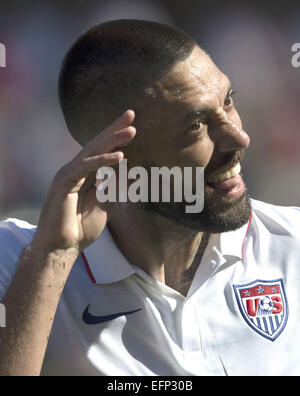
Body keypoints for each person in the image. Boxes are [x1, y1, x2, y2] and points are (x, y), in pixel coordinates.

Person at [0, 19, 299, 377]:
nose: (239, 138)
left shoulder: (291, 243)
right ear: (114, 154)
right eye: (196, 125)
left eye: (228, 101)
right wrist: (54, 257)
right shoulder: (16, 262)